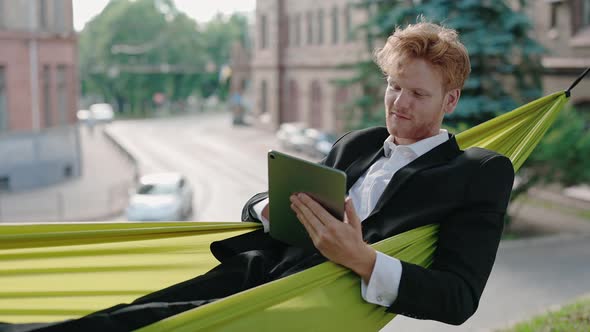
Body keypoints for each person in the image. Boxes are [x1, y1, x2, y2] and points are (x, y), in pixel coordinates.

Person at [1, 21, 514, 332]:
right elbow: (272, 202)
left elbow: (458, 299)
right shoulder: (356, 142)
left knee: (133, 326)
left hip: (302, 305)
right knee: (126, 312)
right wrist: (265, 207)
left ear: (450, 100)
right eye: (393, 86)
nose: (398, 104)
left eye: (417, 94)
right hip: (254, 270)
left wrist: (361, 258)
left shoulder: (479, 173)